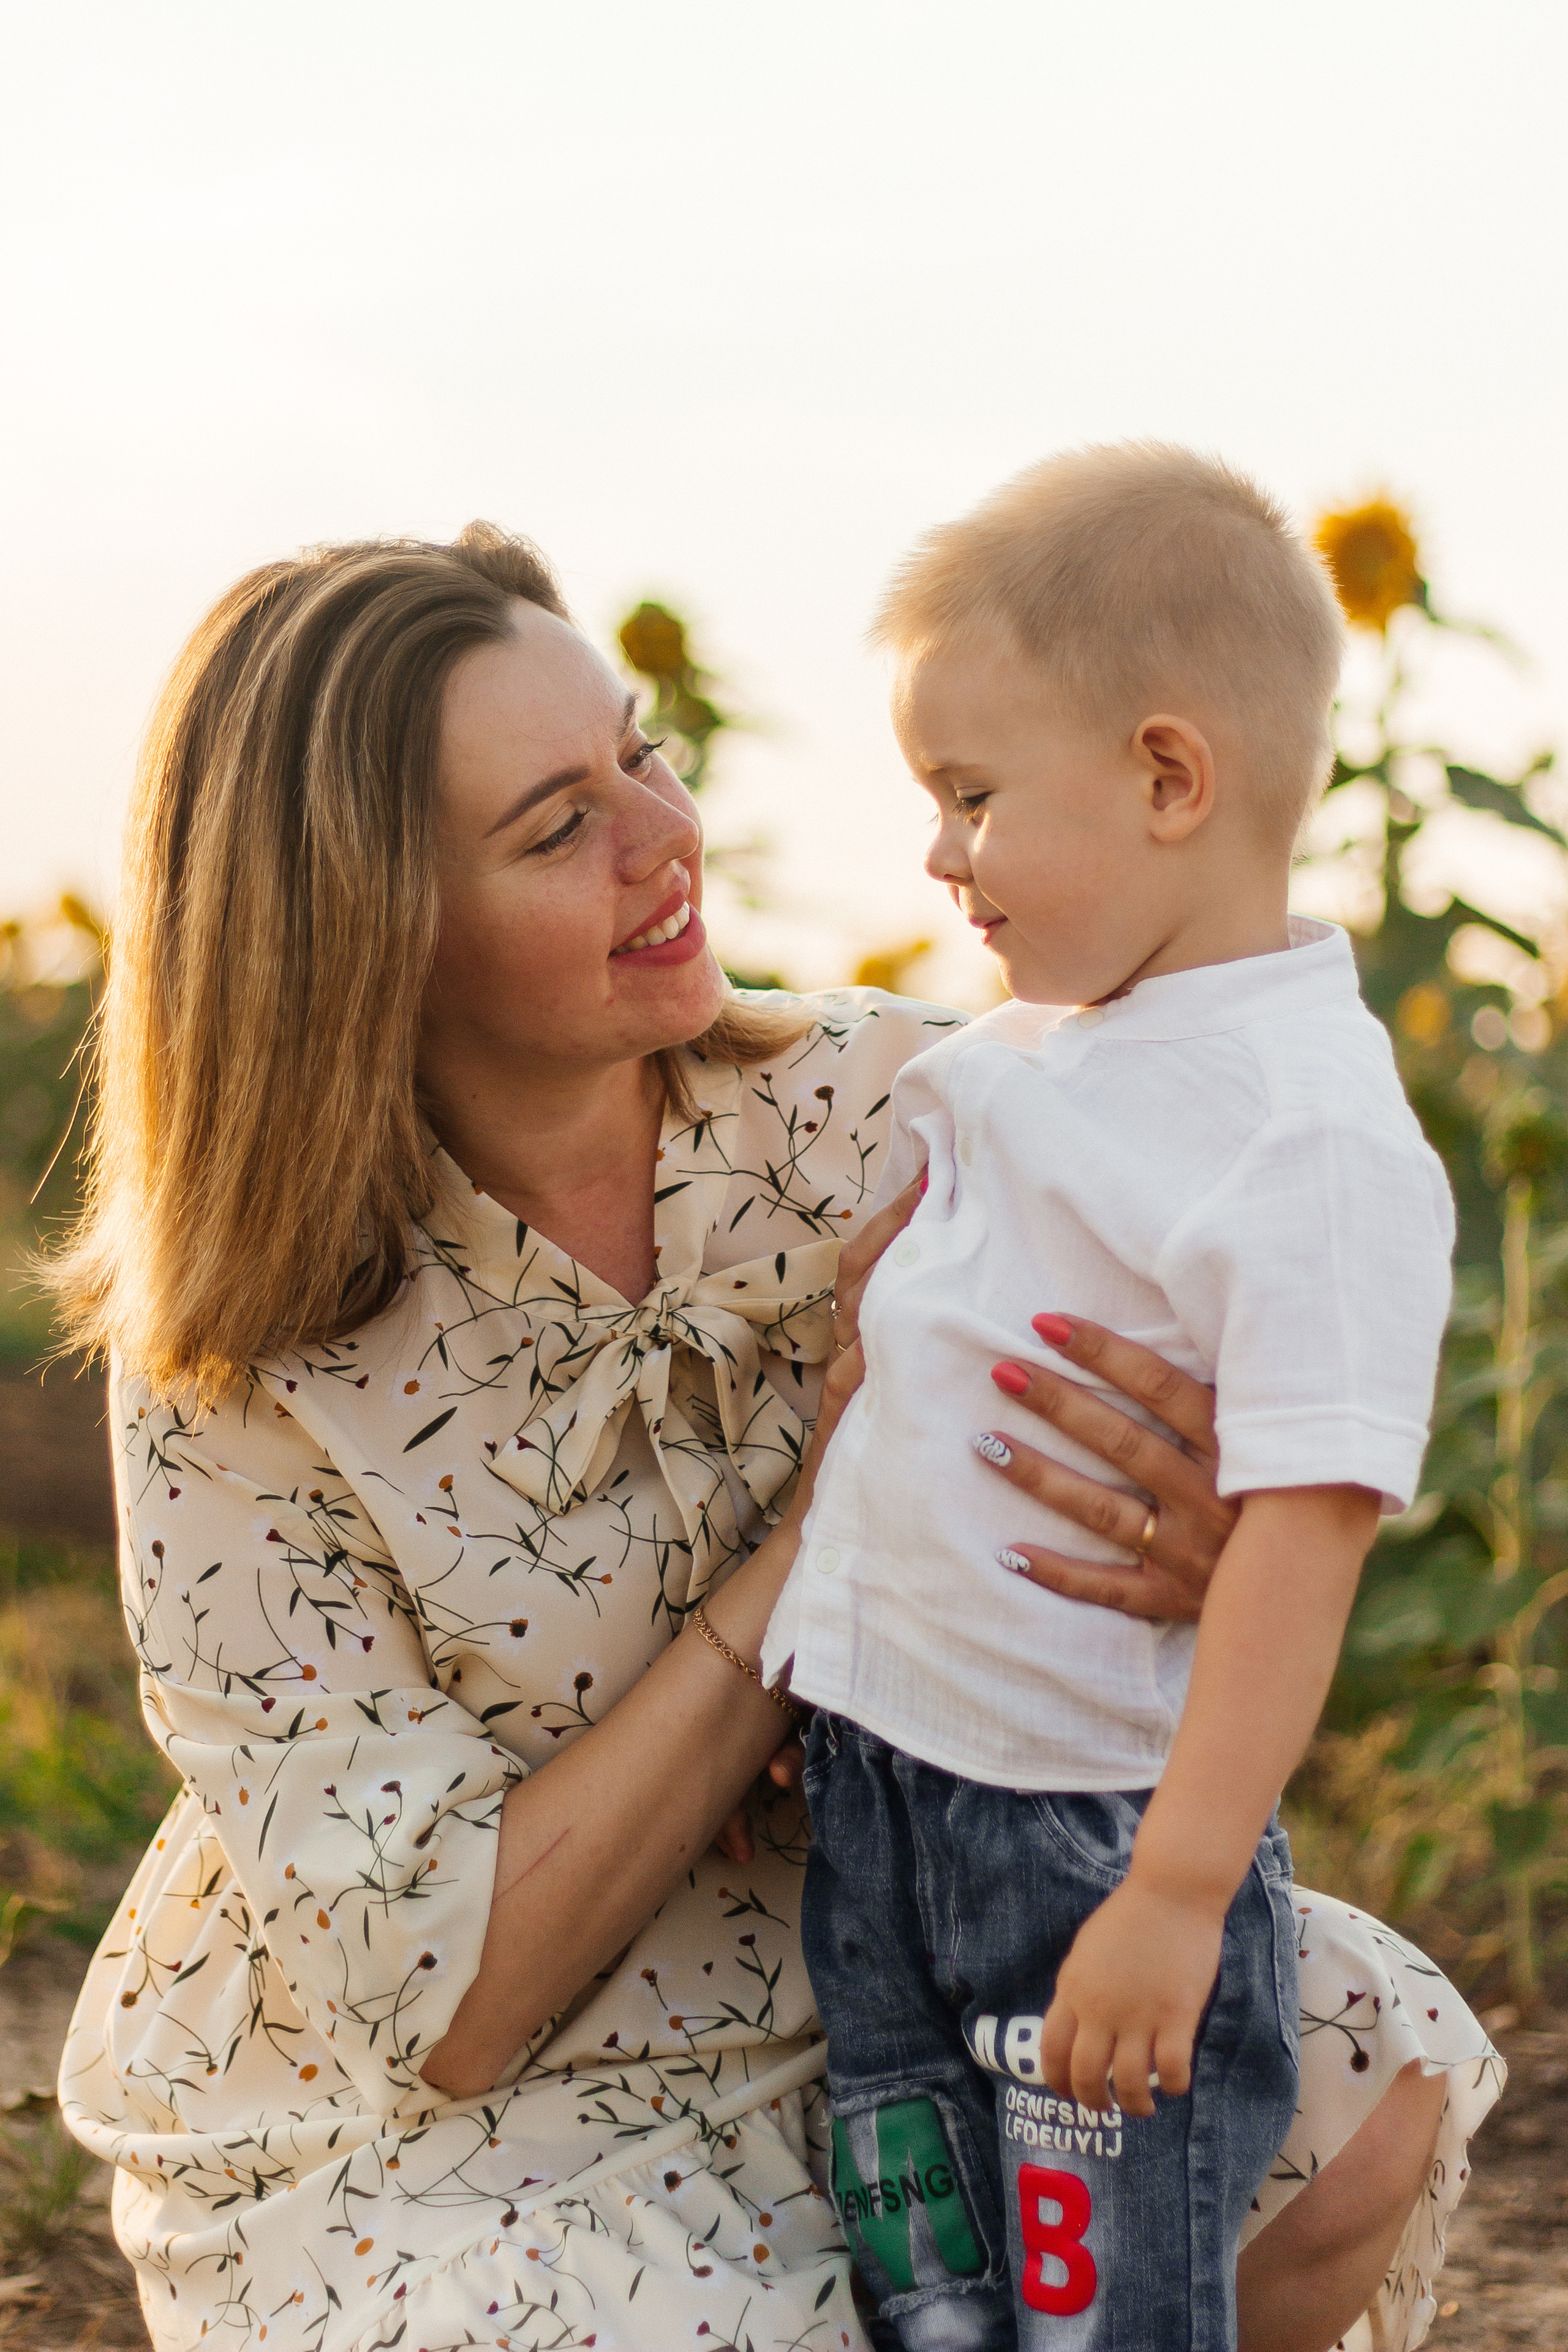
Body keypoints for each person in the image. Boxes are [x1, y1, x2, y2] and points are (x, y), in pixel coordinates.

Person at [50, 524, 1498, 2352]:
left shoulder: (918, 1109)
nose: (668, 836)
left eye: (639, 753)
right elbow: (453, 2006)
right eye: (555, 826)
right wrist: (836, 1528)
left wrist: (1201, 1538)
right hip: (456, 2119)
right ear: (369, 934)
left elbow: (1269, 1436)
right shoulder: (232, 1368)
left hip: (885, 1955)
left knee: (1357, 2071)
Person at [763, 447, 1491, 2352]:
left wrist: (1178, 1892)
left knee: (1106, 2292)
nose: (937, 854)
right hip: (885, 1802)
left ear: (1171, 779)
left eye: (974, 796)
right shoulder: (1037, 1056)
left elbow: (1308, 1533)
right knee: (926, 2266)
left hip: (1085, 1822)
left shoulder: (1304, 1129)